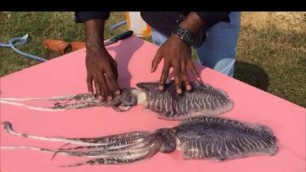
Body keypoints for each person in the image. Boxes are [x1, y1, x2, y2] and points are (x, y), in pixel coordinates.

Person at [75, 12, 241, 101]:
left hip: (216, 17)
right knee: (169, 93)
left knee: (221, 92)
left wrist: (184, 32)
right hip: (164, 15)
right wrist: (94, 46)